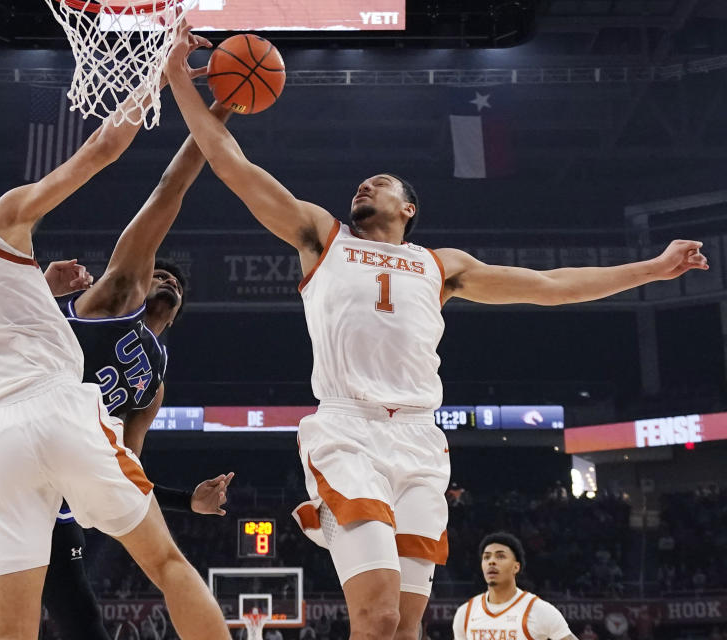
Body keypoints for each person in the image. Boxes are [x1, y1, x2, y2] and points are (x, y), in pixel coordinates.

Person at [163, 28, 709, 640]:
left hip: (422, 441)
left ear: (409, 209)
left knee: (407, 628)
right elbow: (231, 163)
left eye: (382, 182)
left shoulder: (440, 264)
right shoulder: (322, 236)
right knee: (377, 616)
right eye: (361, 184)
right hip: (349, 429)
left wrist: (656, 269)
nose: (364, 186)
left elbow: (552, 285)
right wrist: (183, 79)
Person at [0, 31, 230, 639]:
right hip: (58, 407)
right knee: (167, 564)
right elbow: (103, 147)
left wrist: (37, 288)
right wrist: (156, 71)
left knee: (12, 629)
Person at [40, 100, 236, 640]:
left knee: (80, 618)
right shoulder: (113, 297)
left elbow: (128, 463)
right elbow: (167, 194)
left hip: (65, 483)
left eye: (179, 283)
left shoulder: (155, 379)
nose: (169, 280)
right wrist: (211, 116)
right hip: (29, 439)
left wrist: (186, 501)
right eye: (161, 274)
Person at [453, 533, 576, 640]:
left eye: (500, 556)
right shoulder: (466, 612)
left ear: (516, 567)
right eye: (486, 557)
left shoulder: (538, 610)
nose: (491, 561)